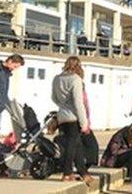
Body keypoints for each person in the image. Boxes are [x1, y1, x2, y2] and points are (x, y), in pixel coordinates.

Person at [51, 56, 94, 185]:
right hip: (73, 116)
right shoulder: (76, 80)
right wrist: (84, 122)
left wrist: (63, 106)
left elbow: (54, 98)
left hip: (62, 116)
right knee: (72, 145)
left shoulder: (56, 78)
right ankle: (67, 173)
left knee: (77, 145)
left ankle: (83, 173)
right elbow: (78, 102)